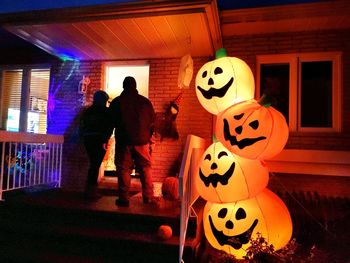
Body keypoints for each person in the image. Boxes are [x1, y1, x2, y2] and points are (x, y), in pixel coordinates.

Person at [109, 76, 156, 207]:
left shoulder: (117, 102)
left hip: (124, 141)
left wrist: (106, 138)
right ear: (135, 86)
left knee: (124, 169)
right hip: (142, 142)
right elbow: (153, 123)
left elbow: (110, 122)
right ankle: (148, 197)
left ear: (124, 86)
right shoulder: (145, 102)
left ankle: (123, 198)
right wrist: (149, 138)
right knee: (145, 168)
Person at [79, 90, 113, 201]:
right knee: (95, 165)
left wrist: (83, 136)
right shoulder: (105, 111)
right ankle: (91, 193)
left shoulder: (88, 111)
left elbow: (82, 125)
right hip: (99, 140)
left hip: (88, 139)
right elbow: (108, 127)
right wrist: (105, 139)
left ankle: (90, 191)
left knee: (93, 165)